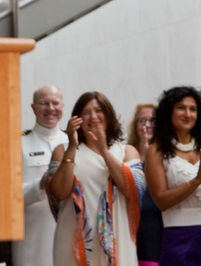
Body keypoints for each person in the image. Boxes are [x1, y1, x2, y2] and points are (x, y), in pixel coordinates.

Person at [48, 91, 143, 266]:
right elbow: (59, 192)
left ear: (108, 115)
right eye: (85, 112)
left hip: (118, 241)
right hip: (73, 244)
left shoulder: (127, 152)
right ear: (77, 119)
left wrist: (104, 150)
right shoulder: (63, 151)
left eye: (98, 110)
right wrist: (72, 147)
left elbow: (132, 191)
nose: (93, 117)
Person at [144, 87, 201, 266]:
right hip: (180, 238)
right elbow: (161, 201)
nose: (188, 114)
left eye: (193, 109)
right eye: (181, 108)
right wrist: (196, 181)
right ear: (169, 111)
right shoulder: (156, 150)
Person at [13, 85, 67, 266]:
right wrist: (40, 184)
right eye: (44, 103)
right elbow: (9, 195)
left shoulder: (72, 143)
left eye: (55, 103)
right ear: (33, 107)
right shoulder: (18, 144)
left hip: (70, 233)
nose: (51, 109)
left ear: (63, 106)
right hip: (33, 239)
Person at [128, 102, 163, 266]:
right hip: (135, 223)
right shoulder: (126, 153)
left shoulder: (166, 153)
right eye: (141, 121)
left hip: (158, 223)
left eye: (151, 121)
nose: (146, 125)